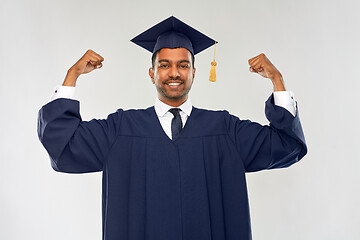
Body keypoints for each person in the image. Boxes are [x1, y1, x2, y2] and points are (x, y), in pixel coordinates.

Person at [38, 16, 307, 240]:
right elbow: (63, 146)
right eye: (164, 65)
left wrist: (277, 80)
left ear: (194, 73)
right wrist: (72, 76)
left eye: (183, 65)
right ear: (152, 73)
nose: (174, 73)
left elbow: (288, 145)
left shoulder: (225, 130)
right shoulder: (120, 129)